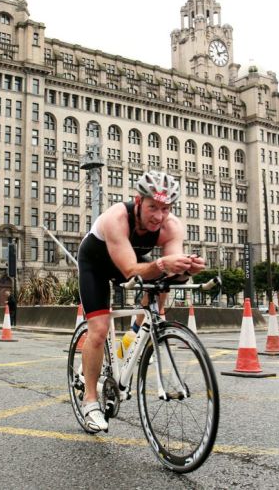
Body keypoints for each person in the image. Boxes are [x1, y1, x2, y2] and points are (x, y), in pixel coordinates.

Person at [76, 170, 206, 433]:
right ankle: (90, 401)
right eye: (152, 207)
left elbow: (169, 271)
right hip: (97, 265)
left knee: (163, 284)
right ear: (138, 202)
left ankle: (135, 333)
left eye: (165, 208)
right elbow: (129, 271)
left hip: (131, 263)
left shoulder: (171, 227)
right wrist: (161, 264)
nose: (159, 216)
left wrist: (187, 268)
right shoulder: (116, 218)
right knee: (99, 331)